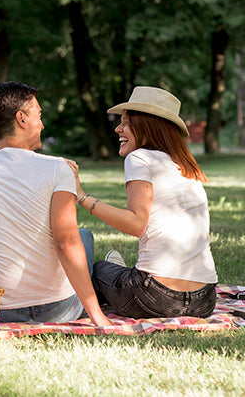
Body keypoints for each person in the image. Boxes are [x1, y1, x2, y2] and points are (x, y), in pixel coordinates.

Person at [0, 81, 111, 326]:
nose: (42, 124)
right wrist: (98, 316)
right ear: (21, 119)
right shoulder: (57, 168)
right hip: (58, 310)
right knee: (83, 237)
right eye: (38, 116)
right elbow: (65, 243)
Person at [67, 86, 218, 319]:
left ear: (148, 125)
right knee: (115, 273)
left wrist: (82, 196)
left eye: (126, 123)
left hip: (155, 299)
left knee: (98, 269)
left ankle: (116, 277)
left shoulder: (139, 158)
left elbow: (136, 224)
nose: (118, 129)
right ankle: (123, 274)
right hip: (205, 301)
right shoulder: (186, 167)